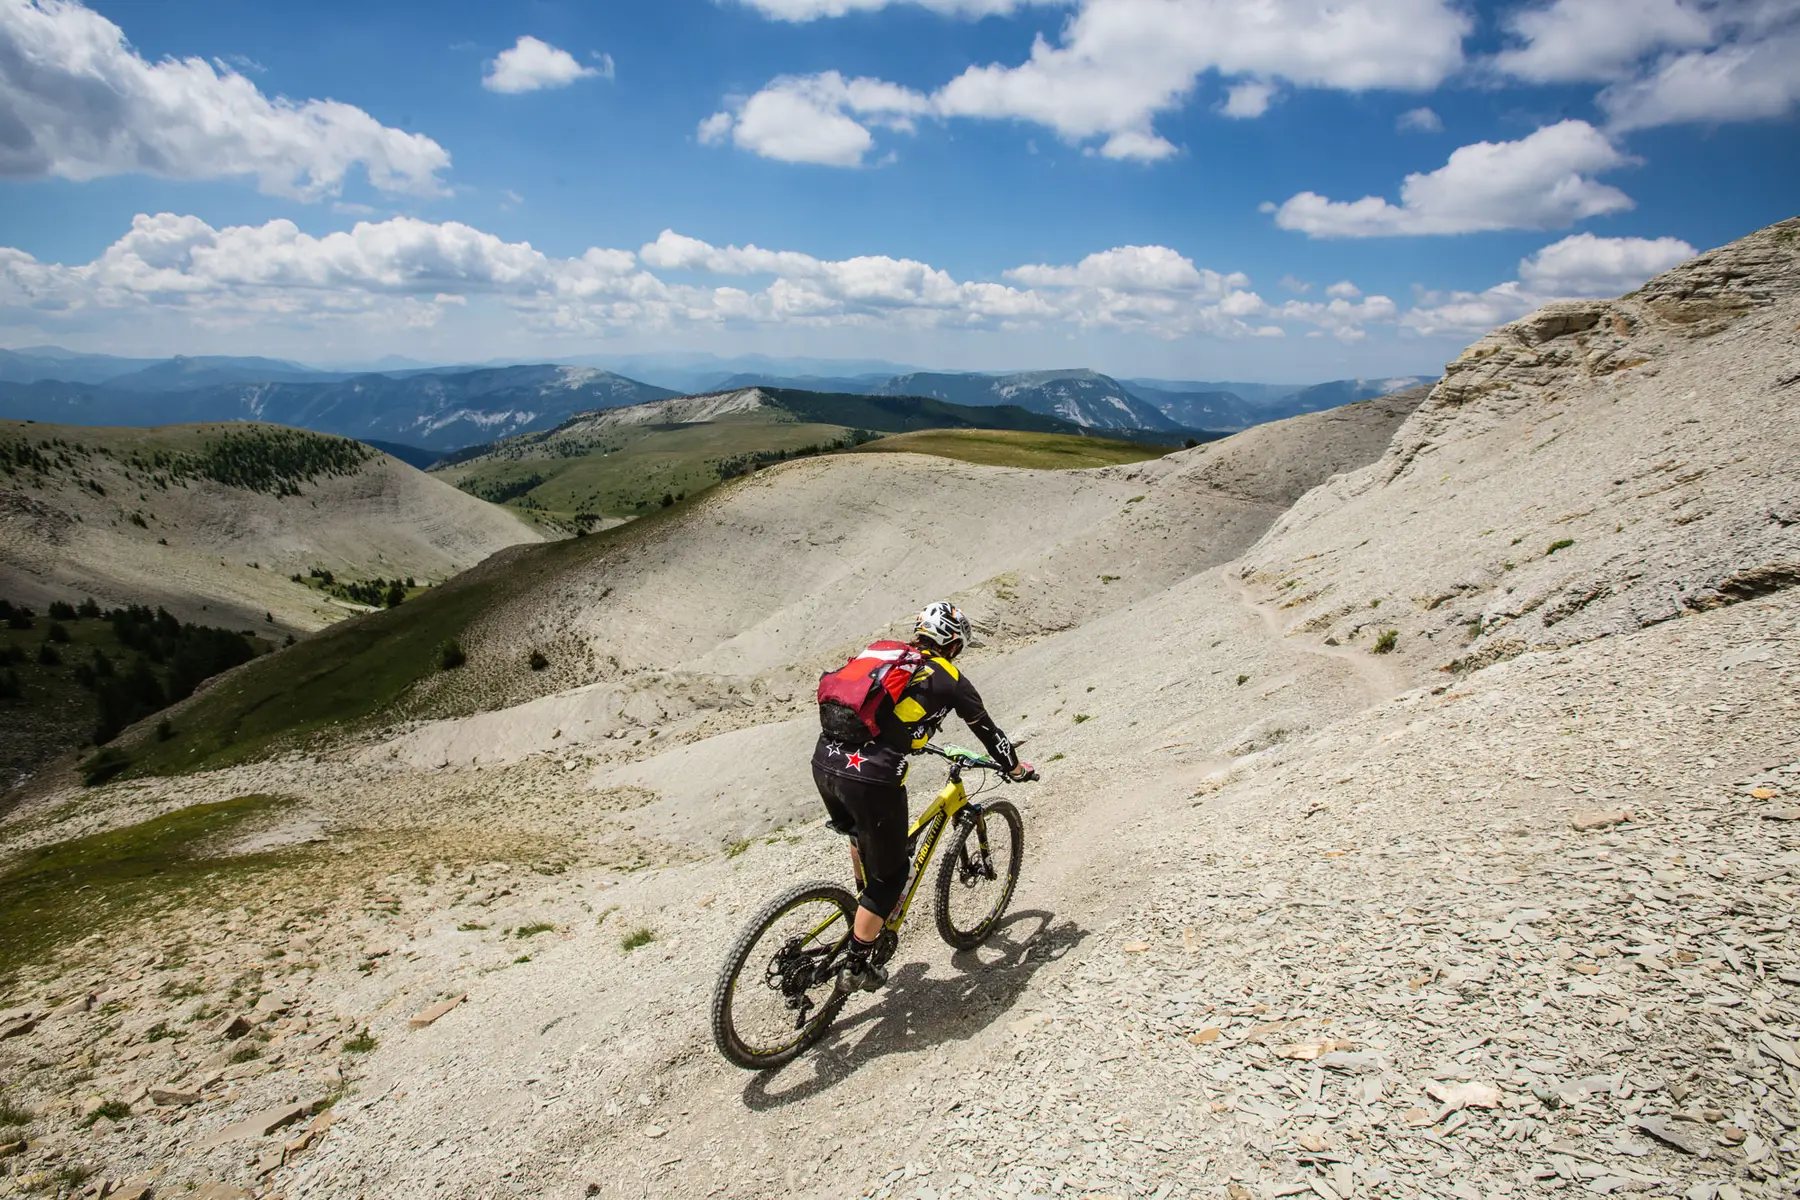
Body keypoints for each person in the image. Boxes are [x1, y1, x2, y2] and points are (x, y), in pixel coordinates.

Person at [812, 600, 1033, 992]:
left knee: (859, 833)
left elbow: (883, 717)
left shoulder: (890, 658)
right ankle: (858, 961)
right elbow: (986, 730)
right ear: (953, 644)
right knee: (893, 875)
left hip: (825, 759)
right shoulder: (949, 677)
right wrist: (1014, 767)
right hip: (871, 777)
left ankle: (866, 905)